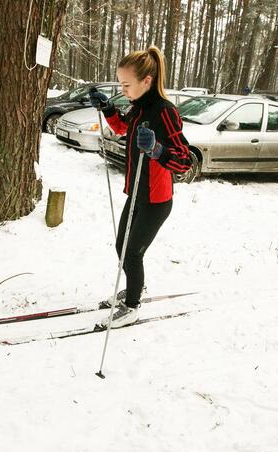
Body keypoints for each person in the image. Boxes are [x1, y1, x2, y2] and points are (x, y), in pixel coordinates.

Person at [88, 46, 192, 329]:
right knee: (122, 247)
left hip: (156, 200)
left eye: (126, 84)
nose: (122, 90)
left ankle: (132, 306)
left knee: (133, 253)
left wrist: (158, 150)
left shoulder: (165, 112)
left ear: (146, 81)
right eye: (119, 84)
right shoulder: (139, 107)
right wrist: (108, 107)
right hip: (136, 194)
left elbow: (185, 161)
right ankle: (135, 288)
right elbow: (123, 127)